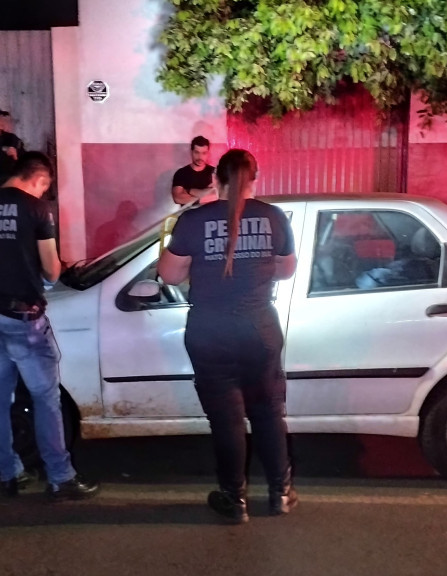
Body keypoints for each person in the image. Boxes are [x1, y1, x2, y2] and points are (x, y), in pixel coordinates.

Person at [158, 149, 298, 523]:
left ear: (215, 179)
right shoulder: (274, 217)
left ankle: (234, 500)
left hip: (211, 332)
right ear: (255, 178)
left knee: (227, 420)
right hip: (259, 329)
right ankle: (281, 493)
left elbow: (169, 275)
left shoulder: (194, 220)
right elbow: (286, 271)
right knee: (269, 413)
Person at [0, 151, 100, 501]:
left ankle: (9, 473)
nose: (44, 194)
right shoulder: (36, 209)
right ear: (39, 180)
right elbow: (52, 270)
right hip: (23, 319)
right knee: (46, 397)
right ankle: (60, 476)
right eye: (45, 188)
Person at [171, 136, 217, 206]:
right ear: (191, 152)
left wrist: (189, 191)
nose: (200, 157)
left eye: (204, 153)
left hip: (210, 215)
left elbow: (218, 195)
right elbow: (177, 198)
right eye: (197, 152)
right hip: (188, 215)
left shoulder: (215, 172)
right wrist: (205, 197)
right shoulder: (181, 173)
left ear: (208, 153)